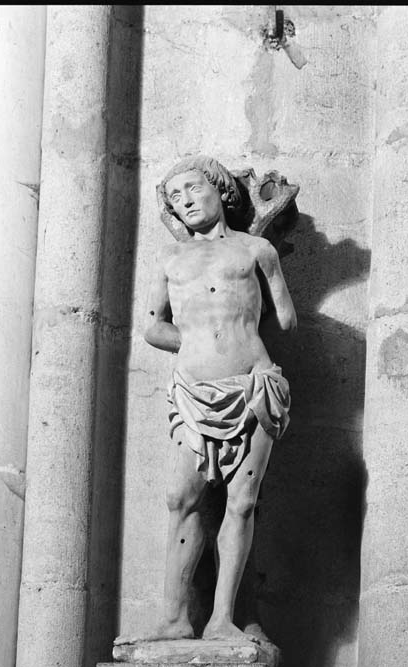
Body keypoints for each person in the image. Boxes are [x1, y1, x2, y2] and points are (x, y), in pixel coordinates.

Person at [124, 155, 296, 642]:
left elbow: (286, 318)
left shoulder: (257, 250)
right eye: (175, 198)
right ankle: (175, 618)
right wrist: (196, 339)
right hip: (193, 391)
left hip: (254, 386)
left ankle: (223, 619)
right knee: (182, 499)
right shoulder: (171, 260)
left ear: (220, 191)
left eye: (192, 189)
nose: (185, 202)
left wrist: (238, 325)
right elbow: (153, 326)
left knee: (241, 503)